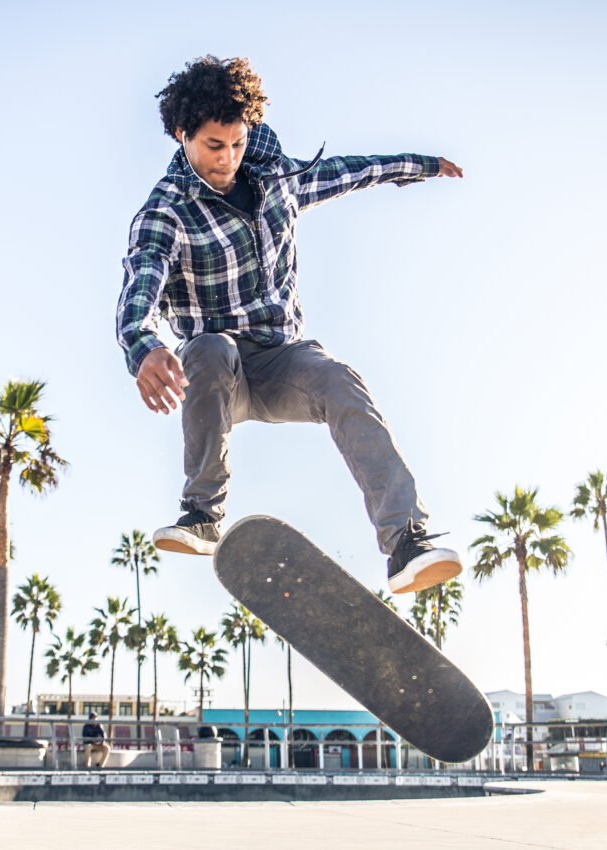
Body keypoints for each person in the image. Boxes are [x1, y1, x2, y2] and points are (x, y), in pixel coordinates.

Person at [116, 55, 463, 594]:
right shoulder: (166, 211)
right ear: (182, 134)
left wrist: (417, 165)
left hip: (281, 363)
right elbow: (140, 284)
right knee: (206, 348)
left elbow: (351, 172)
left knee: (340, 379)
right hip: (218, 375)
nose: (227, 158)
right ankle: (202, 513)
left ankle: (407, 542)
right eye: (213, 146)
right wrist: (144, 346)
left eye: (236, 142)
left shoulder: (279, 179)